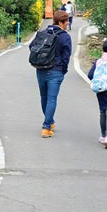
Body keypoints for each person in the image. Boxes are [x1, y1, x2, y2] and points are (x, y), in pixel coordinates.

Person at [36, 10, 72, 138]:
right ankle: (46, 127)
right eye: (66, 21)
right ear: (61, 22)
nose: (68, 23)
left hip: (40, 69)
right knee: (52, 99)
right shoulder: (65, 37)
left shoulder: (43, 33)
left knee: (44, 97)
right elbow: (66, 57)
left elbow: (32, 48)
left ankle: (50, 122)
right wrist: (63, 70)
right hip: (55, 71)